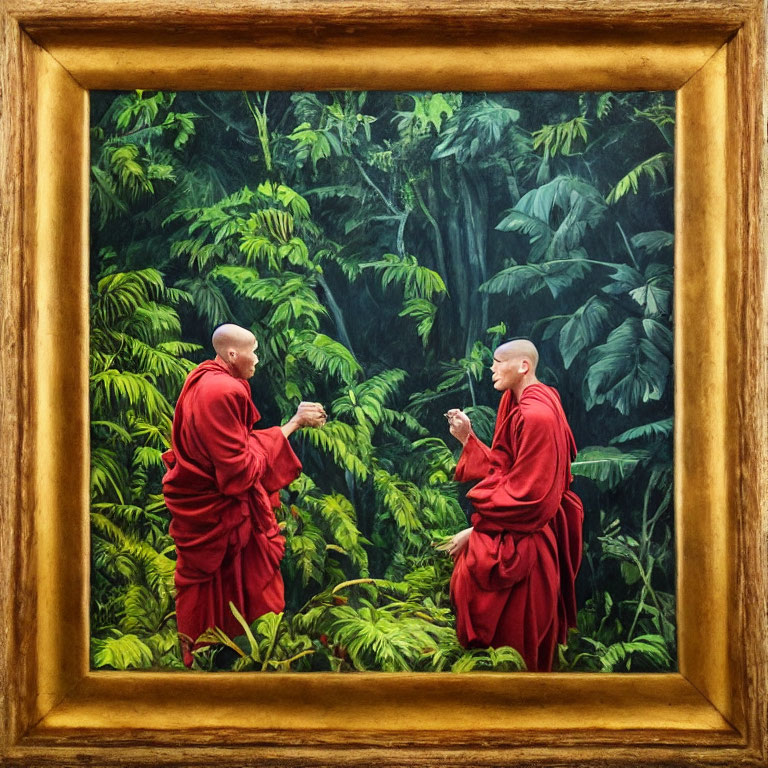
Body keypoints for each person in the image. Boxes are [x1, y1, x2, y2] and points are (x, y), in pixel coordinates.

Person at [162, 323, 326, 666]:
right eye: (253, 350)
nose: (258, 358)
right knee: (251, 586)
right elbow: (238, 472)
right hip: (220, 512)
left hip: (208, 508)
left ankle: (210, 655)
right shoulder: (225, 392)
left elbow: (236, 449)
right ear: (232, 354)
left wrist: (293, 422)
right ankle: (234, 657)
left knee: (222, 585)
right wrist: (290, 428)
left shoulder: (203, 379)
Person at [442, 339, 583, 671]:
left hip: (529, 538)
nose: (491, 368)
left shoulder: (538, 415)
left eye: (498, 361)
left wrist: (476, 531)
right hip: (520, 526)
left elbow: (531, 497)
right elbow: (506, 470)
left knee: (518, 645)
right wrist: (468, 438)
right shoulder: (515, 401)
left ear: (523, 366)